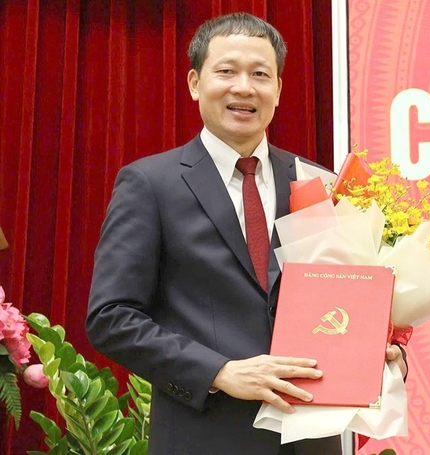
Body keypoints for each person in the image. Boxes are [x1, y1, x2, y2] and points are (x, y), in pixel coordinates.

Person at [85, 12, 406, 455]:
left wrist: (383, 352)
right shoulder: (150, 185)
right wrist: (218, 371)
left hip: (311, 439)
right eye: (227, 71)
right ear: (195, 83)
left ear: (278, 88)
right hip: (204, 436)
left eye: (260, 74)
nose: (244, 87)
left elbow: (350, 298)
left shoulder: (318, 184)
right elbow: (111, 317)